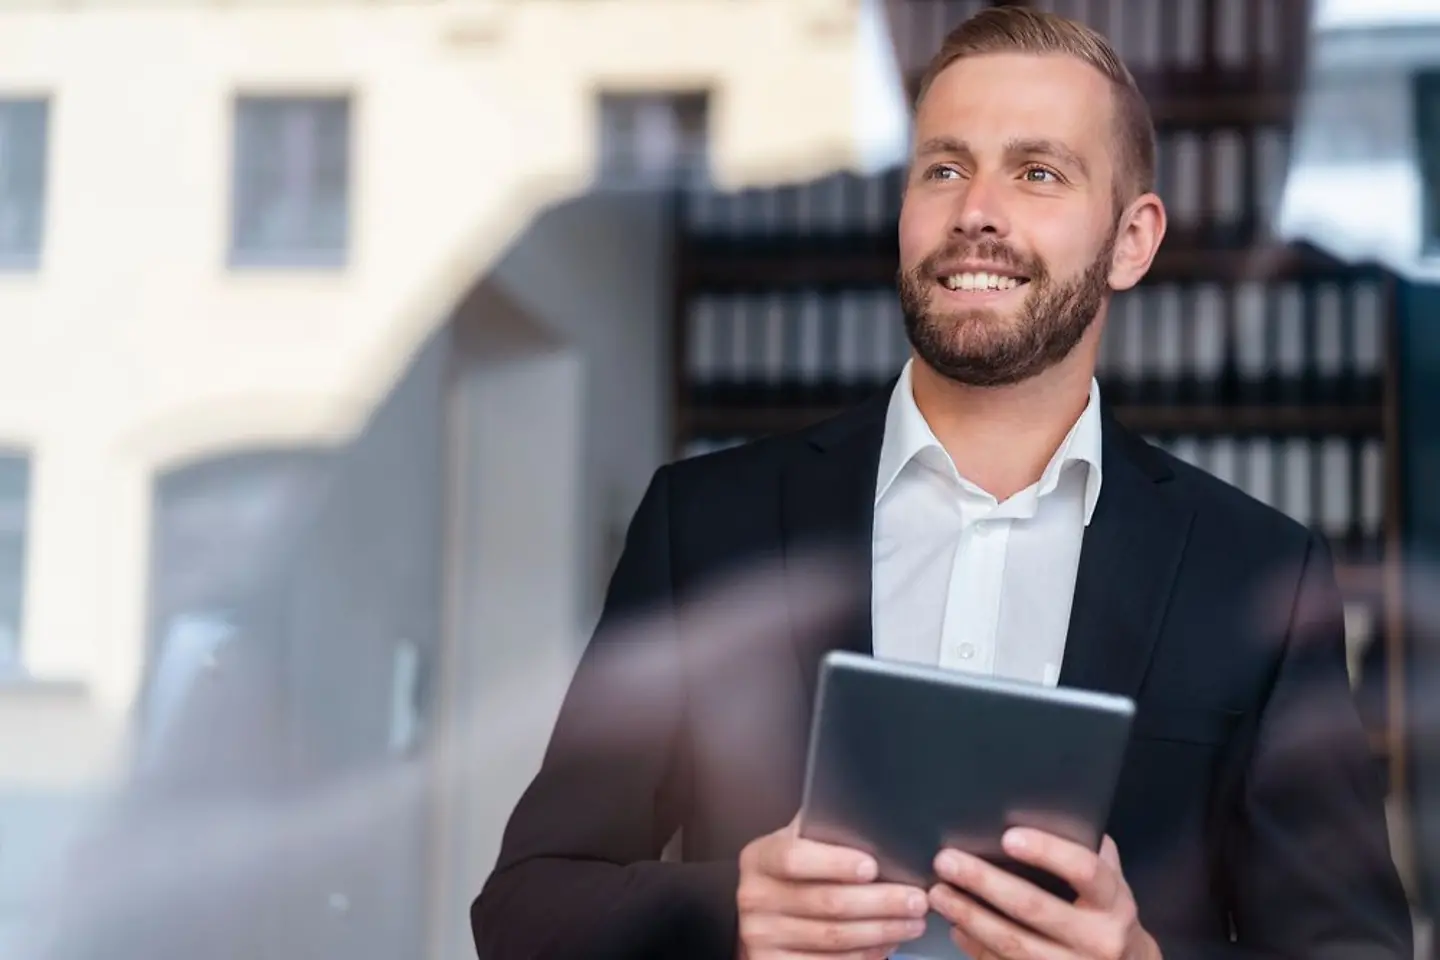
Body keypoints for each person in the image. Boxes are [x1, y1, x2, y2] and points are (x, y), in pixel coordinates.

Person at [473, 8, 1413, 959]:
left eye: (1039, 173)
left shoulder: (1257, 574)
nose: (976, 212)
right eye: (945, 168)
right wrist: (729, 914)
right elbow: (523, 909)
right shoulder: (709, 526)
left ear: (1133, 240)